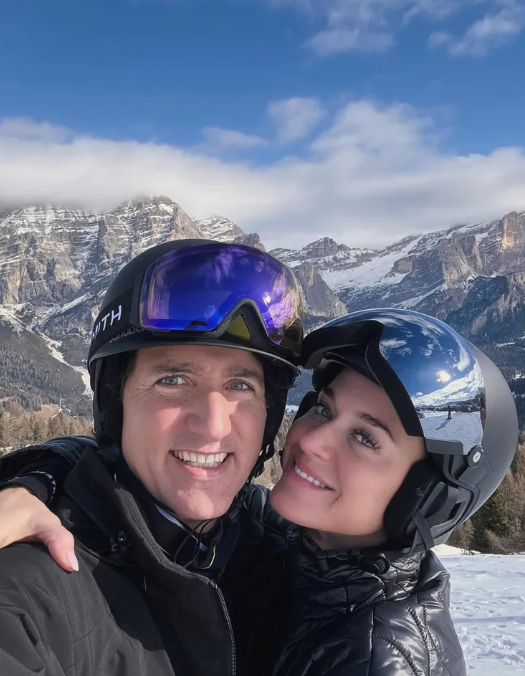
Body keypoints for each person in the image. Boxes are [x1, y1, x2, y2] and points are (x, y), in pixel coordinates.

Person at [0, 309, 518, 676]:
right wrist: (37, 478)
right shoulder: (284, 542)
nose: (311, 441)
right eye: (322, 408)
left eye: (365, 438)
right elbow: (117, 462)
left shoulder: (375, 657)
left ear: (426, 498)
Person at [0, 239, 304, 675]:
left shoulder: (284, 554)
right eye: (173, 380)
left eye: (240, 385)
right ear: (115, 403)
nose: (214, 425)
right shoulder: (31, 591)